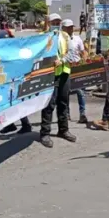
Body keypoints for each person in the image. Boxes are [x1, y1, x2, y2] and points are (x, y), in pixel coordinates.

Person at [39, 13, 77, 148]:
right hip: (49, 75)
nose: (56, 24)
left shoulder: (65, 36)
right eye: (53, 22)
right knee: (49, 104)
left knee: (63, 102)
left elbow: (72, 52)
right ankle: (45, 133)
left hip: (64, 73)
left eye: (58, 22)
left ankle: (63, 130)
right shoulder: (42, 37)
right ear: (48, 23)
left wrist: (62, 61)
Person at [0, 30, 33, 135]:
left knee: (15, 102)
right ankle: (10, 125)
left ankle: (26, 124)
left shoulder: (12, 49)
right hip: (5, 79)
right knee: (5, 103)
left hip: (13, 80)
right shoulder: (1, 49)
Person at [62, 19, 88, 124]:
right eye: (68, 27)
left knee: (80, 92)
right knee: (66, 93)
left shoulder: (77, 39)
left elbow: (83, 52)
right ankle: (66, 114)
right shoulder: (60, 40)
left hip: (77, 68)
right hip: (65, 68)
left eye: (71, 27)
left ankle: (82, 114)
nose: (70, 29)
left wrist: (84, 61)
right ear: (63, 28)